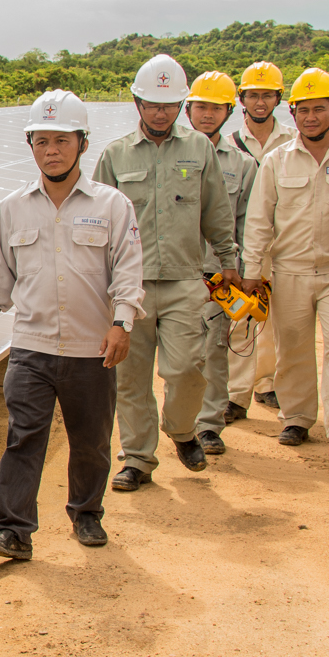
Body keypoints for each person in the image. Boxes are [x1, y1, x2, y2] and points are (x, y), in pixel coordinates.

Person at [0, 90, 143, 562]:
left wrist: (122, 322)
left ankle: (86, 513)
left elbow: (129, 269)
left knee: (91, 441)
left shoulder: (112, 205)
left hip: (92, 348)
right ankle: (13, 531)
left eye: (62, 140)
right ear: (30, 145)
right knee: (23, 438)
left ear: (83, 144)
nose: (52, 150)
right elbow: (0, 268)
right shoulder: (12, 207)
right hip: (32, 346)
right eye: (42, 141)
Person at [95, 54, 238, 491]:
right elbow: (97, 223)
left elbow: (216, 209)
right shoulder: (115, 155)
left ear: (180, 106)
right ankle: (138, 459)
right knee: (130, 378)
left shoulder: (199, 149)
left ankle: (182, 429)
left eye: (170, 105)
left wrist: (229, 260)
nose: (161, 113)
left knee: (187, 368)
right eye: (153, 105)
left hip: (183, 280)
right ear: (137, 103)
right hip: (130, 287)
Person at [240, 68, 329, 460]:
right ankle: (297, 418)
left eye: (319, 109)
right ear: (292, 112)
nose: (311, 117)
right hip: (290, 271)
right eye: (303, 110)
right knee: (292, 348)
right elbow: (259, 220)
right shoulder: (277, 161)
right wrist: (252, 271)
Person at [182, 71, 255, 457]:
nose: (207, 114)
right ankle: (180, 423)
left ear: (228, 112)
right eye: (200, 107)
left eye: (216, 108)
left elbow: (247, 222)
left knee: (214, 349)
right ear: (188, 110)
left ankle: (209, 425)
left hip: (217, 274)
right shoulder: (170, 156)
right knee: (178, 355)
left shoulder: (242, 165)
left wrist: (242, 270)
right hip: (175, 272)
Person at [226, 60, 295, 421]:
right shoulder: (231, 145)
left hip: (286, 244)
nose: (260, 102)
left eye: (267, 95)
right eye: (253, 95)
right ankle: (236, 395)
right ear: (242, 99)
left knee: (281, 320)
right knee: (243, 320)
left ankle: (269, 384)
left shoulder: (293, 141)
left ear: (278, 99)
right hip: (245, 245)